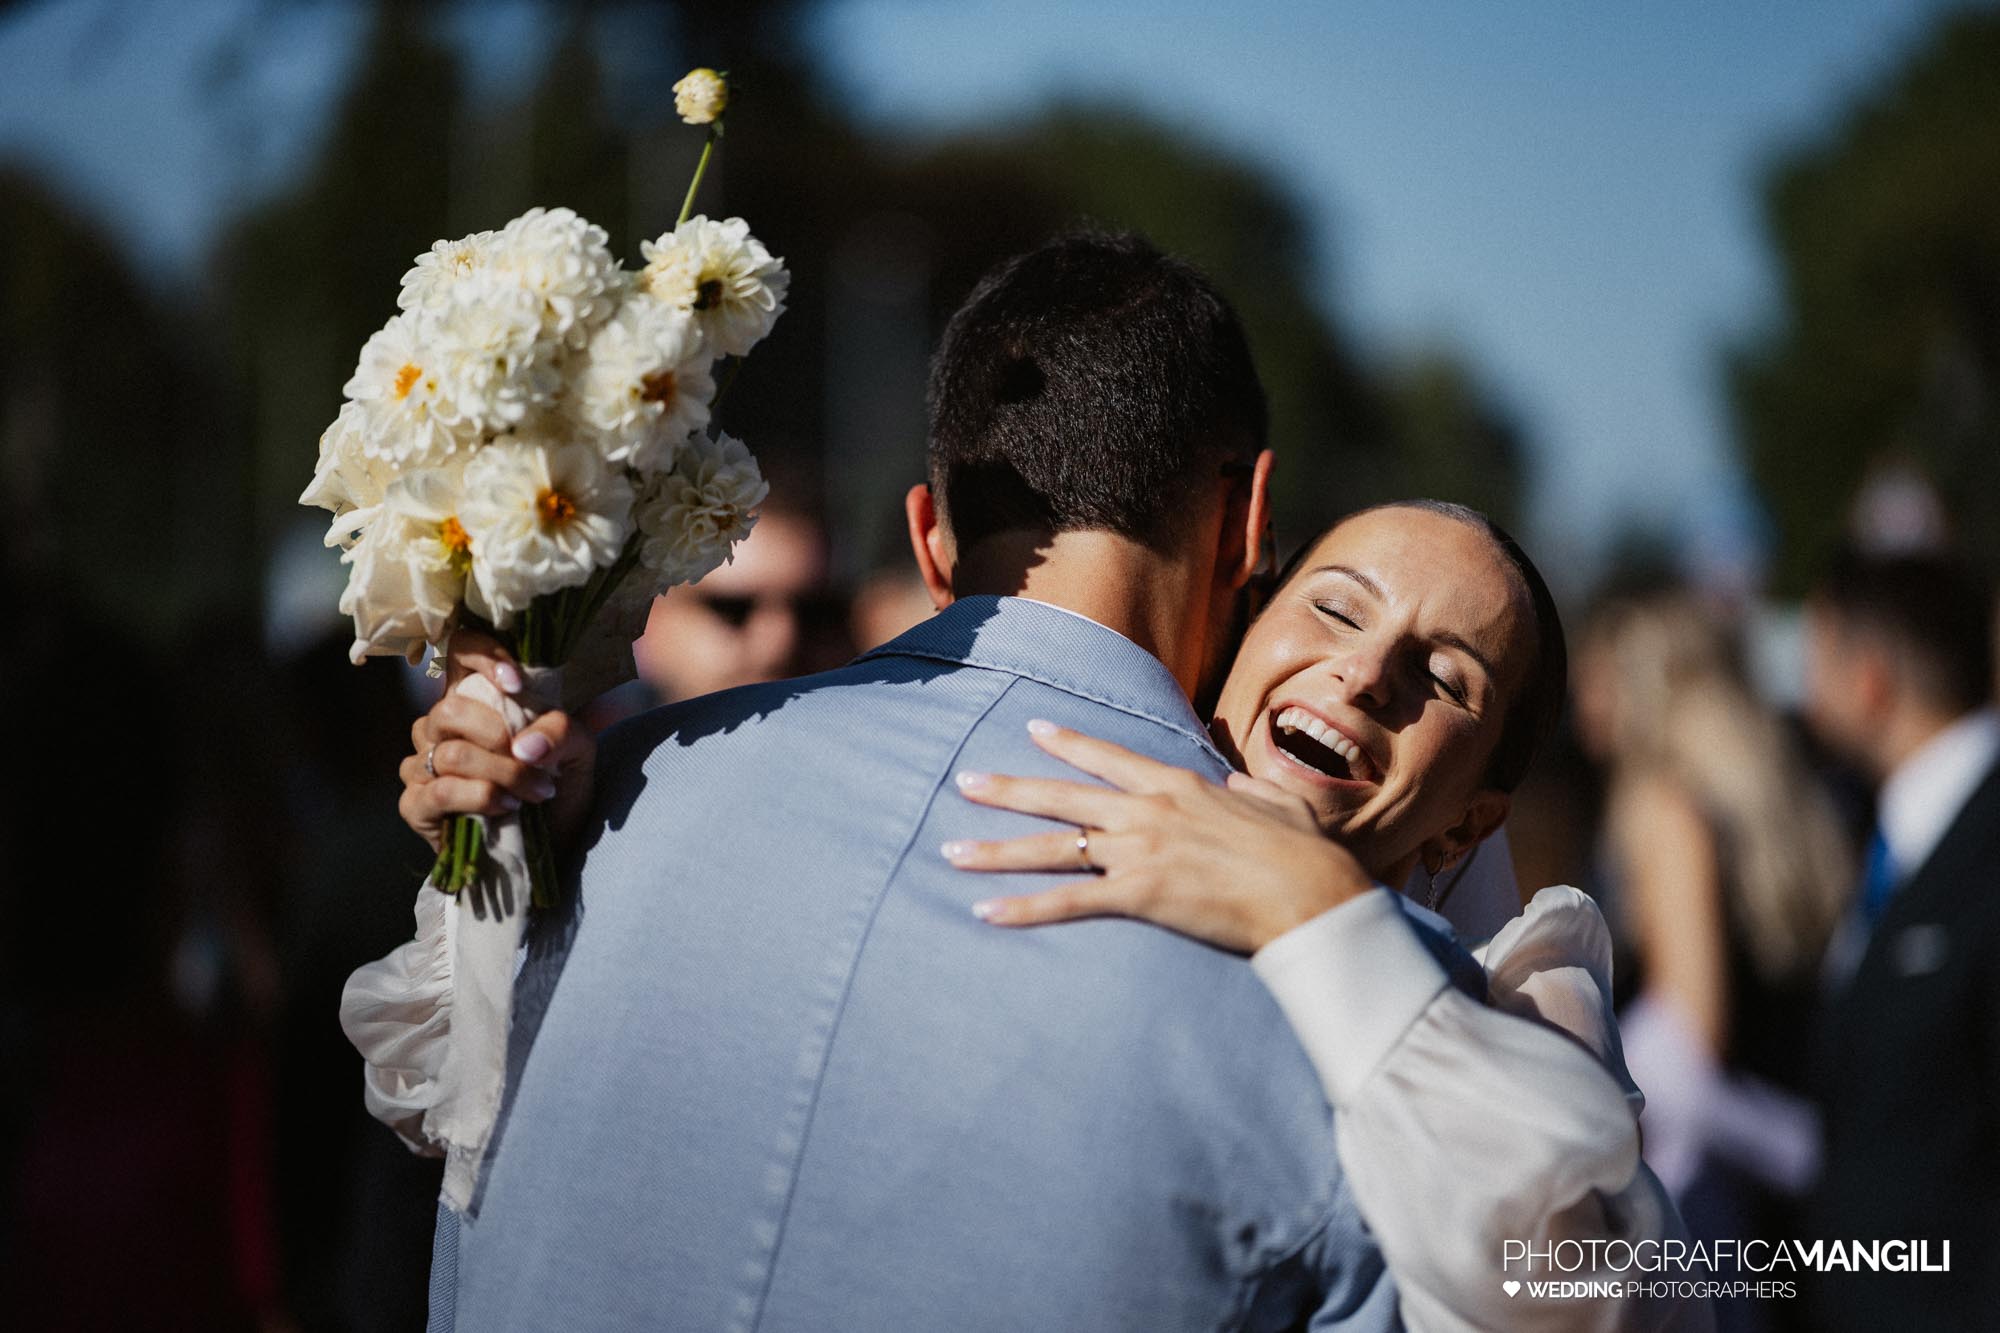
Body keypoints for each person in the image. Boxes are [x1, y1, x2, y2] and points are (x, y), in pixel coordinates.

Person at [357, 233, 1690, 1330]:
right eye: (1334, 609)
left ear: (928, 535)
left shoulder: (625, 799)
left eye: (1448, 676)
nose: (1362, 679)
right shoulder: (1374, 1022)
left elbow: (451, 1127)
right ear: (1250, 528)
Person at [1570, 591, 1848, 1309]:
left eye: (1599, 677)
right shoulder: (1781, 799)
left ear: (1646, 684)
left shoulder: (1667, 809)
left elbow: (1692, 1033)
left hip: (1710, 1184)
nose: (1583, 699)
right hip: (1783, 1162)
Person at [1799, 546, 2000, 1331]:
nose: (1804, 692)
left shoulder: (1981, 840)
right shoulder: (1887, 837)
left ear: (1870, 676)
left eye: (1817, 659)